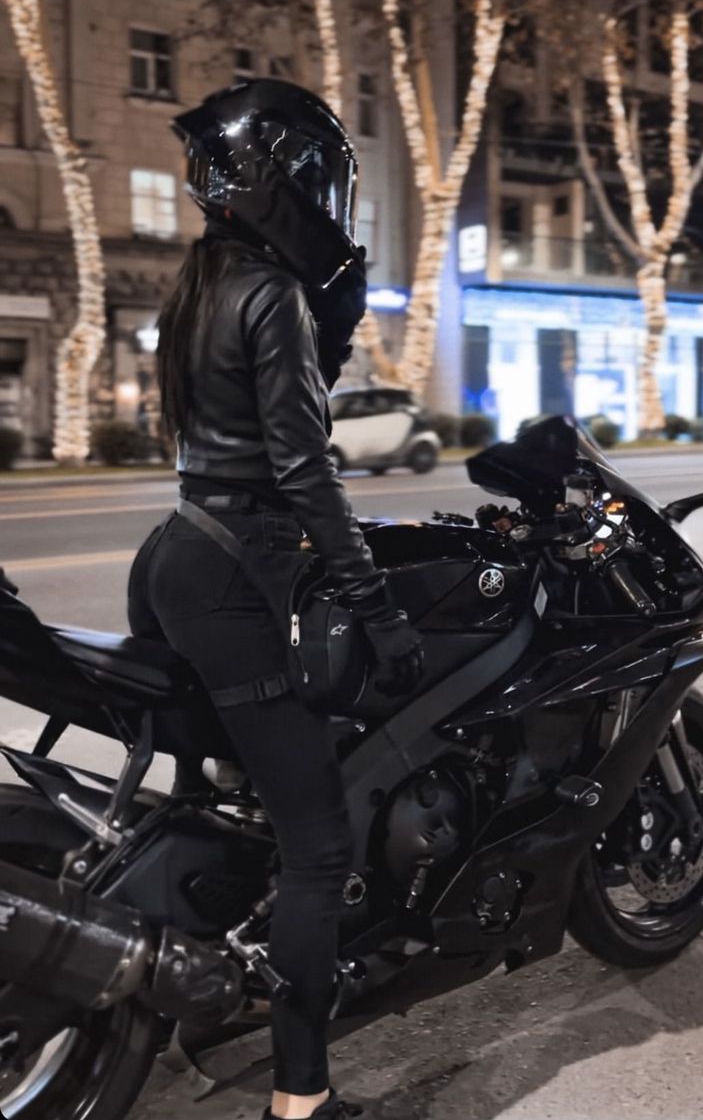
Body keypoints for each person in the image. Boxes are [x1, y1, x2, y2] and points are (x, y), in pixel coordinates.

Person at [127, 79, 424, 1120]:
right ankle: (300, 1099)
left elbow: (234, 434)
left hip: (175, 556)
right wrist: (377, 612)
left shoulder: (200, 282)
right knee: (319, 843)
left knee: (225, 787)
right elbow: (304, 473)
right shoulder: (269, 294)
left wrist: (331, 309)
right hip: (234, 577)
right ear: (294, 178)